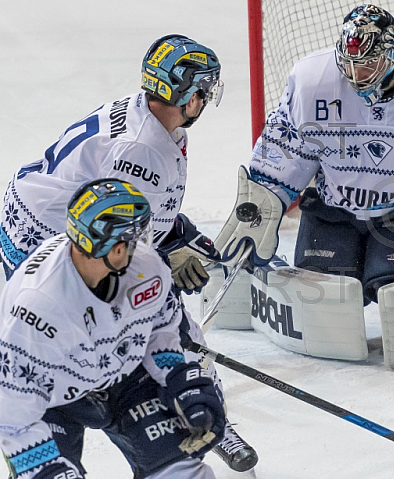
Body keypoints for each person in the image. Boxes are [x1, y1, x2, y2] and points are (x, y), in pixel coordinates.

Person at [0, 34, 257, 471]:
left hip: (36, 220)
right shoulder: (144, 150)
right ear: (185, 93)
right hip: (47, 238)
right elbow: (125, 229)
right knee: (148, 313)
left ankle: (182, 396)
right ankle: (187, 406)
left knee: (147, 309)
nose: (207, 98)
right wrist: (165, 250)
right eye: (204, 89)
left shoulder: (150, 117)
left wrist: (175, 231)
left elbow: (123, 204)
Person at [214, 4, 394, 302]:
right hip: (332, 212)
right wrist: (258, 213)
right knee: (322, 296)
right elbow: (285, 147)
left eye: (368, 65)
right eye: (348, 64)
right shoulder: (311, 82)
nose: (356, 76)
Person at [0, 179, 225, 479]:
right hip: (52, 401)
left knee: (183, 473)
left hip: (125, 380)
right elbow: (12, 412)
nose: (141, 246)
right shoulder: (36, 306)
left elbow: (160, 330)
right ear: (113, 248)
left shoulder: (146, 268)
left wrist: (180, 379)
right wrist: (41, 467)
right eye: (133, 239)